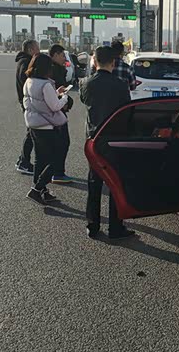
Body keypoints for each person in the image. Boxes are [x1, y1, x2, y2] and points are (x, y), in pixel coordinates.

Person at [80, 46, 134, 240]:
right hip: (114, 140)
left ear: (94, 61)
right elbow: (127, 110)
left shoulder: (86, 83)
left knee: (94, 182)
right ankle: (115, 228)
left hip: (94, 140)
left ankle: (92, 226)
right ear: (114, 62)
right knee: (114, 183)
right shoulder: (120, 85)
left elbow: (85, 102)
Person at [23, 53, 69, 206]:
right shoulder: (46, 84)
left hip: (34, 124)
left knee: (40, 159)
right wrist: (64, 97)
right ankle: (37, 189)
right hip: (47, 126)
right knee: (56, 159)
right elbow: (55, 106)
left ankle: (41, 190)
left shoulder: (29, 81)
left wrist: (56, 93)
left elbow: (40, 101)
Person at [48, 44, 74, 184]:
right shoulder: (53, 71)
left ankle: (54, 172)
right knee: (62, 142)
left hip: (55, 111)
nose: (65, 58)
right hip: (56, 112)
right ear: (56, 55)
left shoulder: (56, 69)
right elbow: (53, 93)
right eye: (63, 55)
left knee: (57, 143)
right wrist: (64, 100)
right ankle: (57, 173)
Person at [15, 39, 40, 175]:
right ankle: (24, 162)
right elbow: (29, 83)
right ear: (30, 50)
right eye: (37, 48)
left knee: (31, 132)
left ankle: (22, 160)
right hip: (28, 103)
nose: (39, 51)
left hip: (27, 102)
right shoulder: (26, 63)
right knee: (31, 133)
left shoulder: (24, 61)